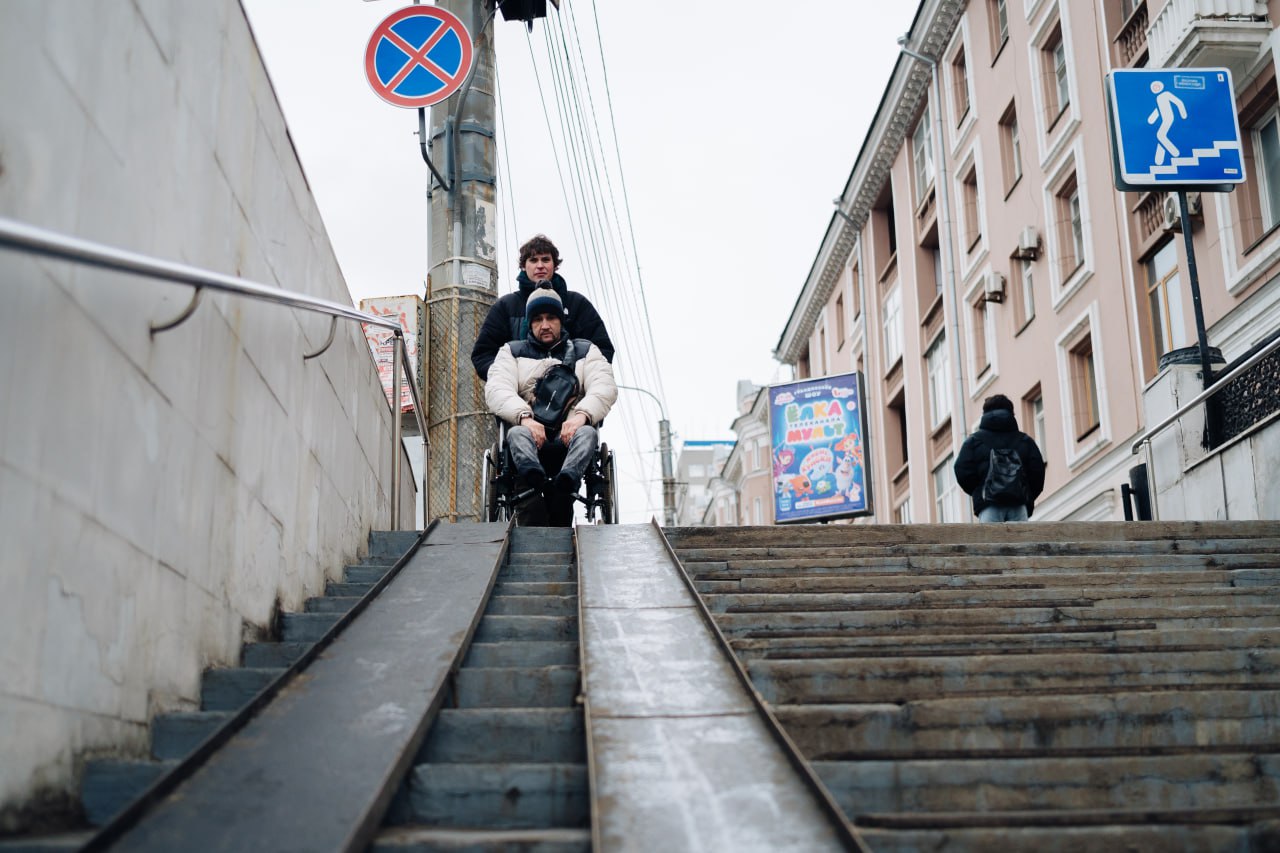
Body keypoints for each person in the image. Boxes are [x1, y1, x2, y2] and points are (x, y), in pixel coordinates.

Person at [484, 284, 618, 526]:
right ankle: (533, 477)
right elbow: (497, 389)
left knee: (588, 433)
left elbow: (604, 387)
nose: (544, 325)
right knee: (516, 434)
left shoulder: (585, 351)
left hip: (571, 432)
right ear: (529, 324)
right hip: (529, 431)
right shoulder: (511, 352)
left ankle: (566, 481)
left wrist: (581, 417)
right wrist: (525, 418)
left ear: (561, 320)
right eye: (537, 319)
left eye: (551, 318)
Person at [471, 234, 615, 381]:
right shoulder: (505, 307)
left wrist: (572, 382)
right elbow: (483, 355)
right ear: (523, 265)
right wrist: (512, 382)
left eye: (545, 259)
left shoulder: (577, 304)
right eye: (533, 260)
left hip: (574, 395)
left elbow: (602, 350)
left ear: (555, 264)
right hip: (518, 396)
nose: (540, 265)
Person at [953, 394, 1046, 522]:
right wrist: (1025, 493)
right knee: (1020, 542)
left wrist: (981, 490)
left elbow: (962, 469)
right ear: (1011, 413)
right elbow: (1037, 472)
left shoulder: (974, 441)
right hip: (1018, 505)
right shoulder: (1025, 441)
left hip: (989, 506)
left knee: (992, 541)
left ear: (985, 413)